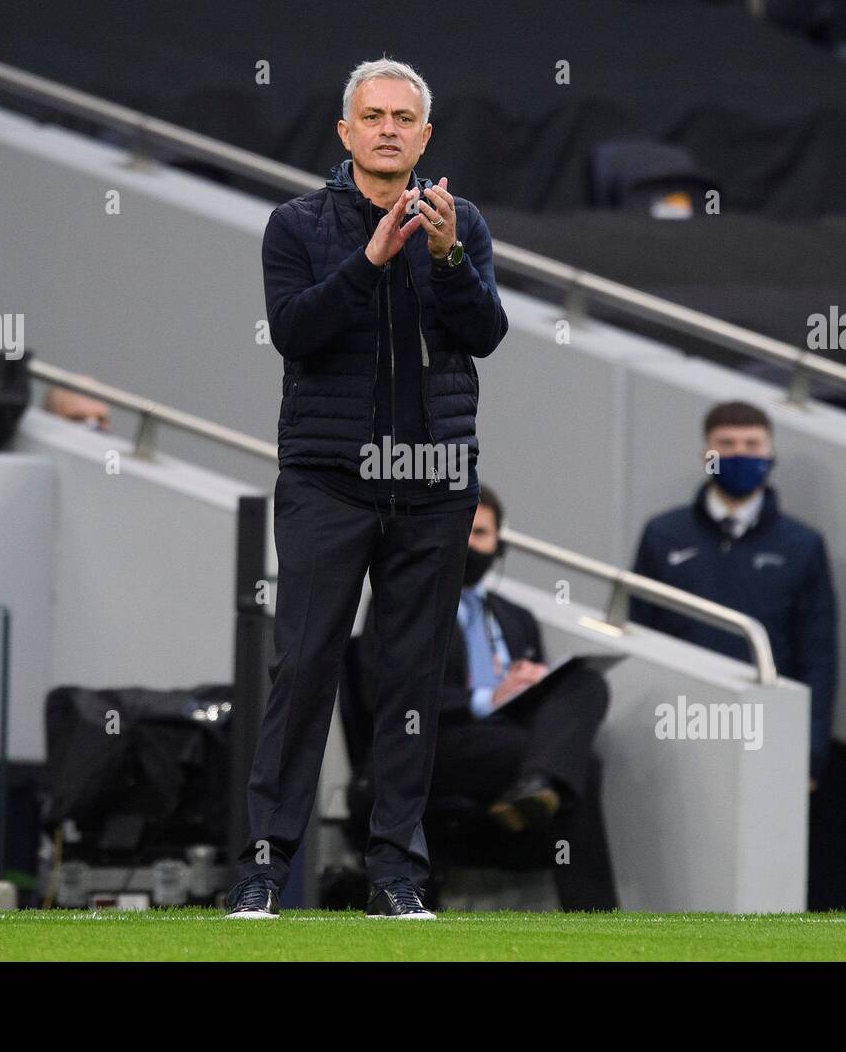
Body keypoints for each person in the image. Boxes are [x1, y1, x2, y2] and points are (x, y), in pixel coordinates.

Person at [226, 58, 508, 918]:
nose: (388, 128)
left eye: (404, 117)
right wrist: (372, 258)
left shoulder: (460, 224)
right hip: (328, 479)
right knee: (304, 665)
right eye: (372, 115)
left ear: (425, 136)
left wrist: (446, 253)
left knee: (409, 679)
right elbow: (295, 332)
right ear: (345, 133)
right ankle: (265, 868)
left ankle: (396, 871)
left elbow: (486, 333)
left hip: (432, 483)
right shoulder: (297, 225)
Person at [356, 485, 619, 910]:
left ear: (499, 545)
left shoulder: (516, 618)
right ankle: (593, 910)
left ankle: (538, 783)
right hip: (435, 741)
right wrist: (485, 697)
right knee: (580, 766)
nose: (468, 543)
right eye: (459, 530)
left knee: (586, 683)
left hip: (508, 736)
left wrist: (532, 682)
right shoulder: (400, 603)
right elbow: (387, 694)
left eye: (480, 533)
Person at [629, 402, 838, 791]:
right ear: (705, 454)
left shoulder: (803, 545)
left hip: (768, 725)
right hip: (679, 720)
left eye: (752, 444)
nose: (739, 453)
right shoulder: (663, 534)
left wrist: (810, 753)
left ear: (770, 454)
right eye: (726, 443)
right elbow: (641, 631)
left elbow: (818, 654)